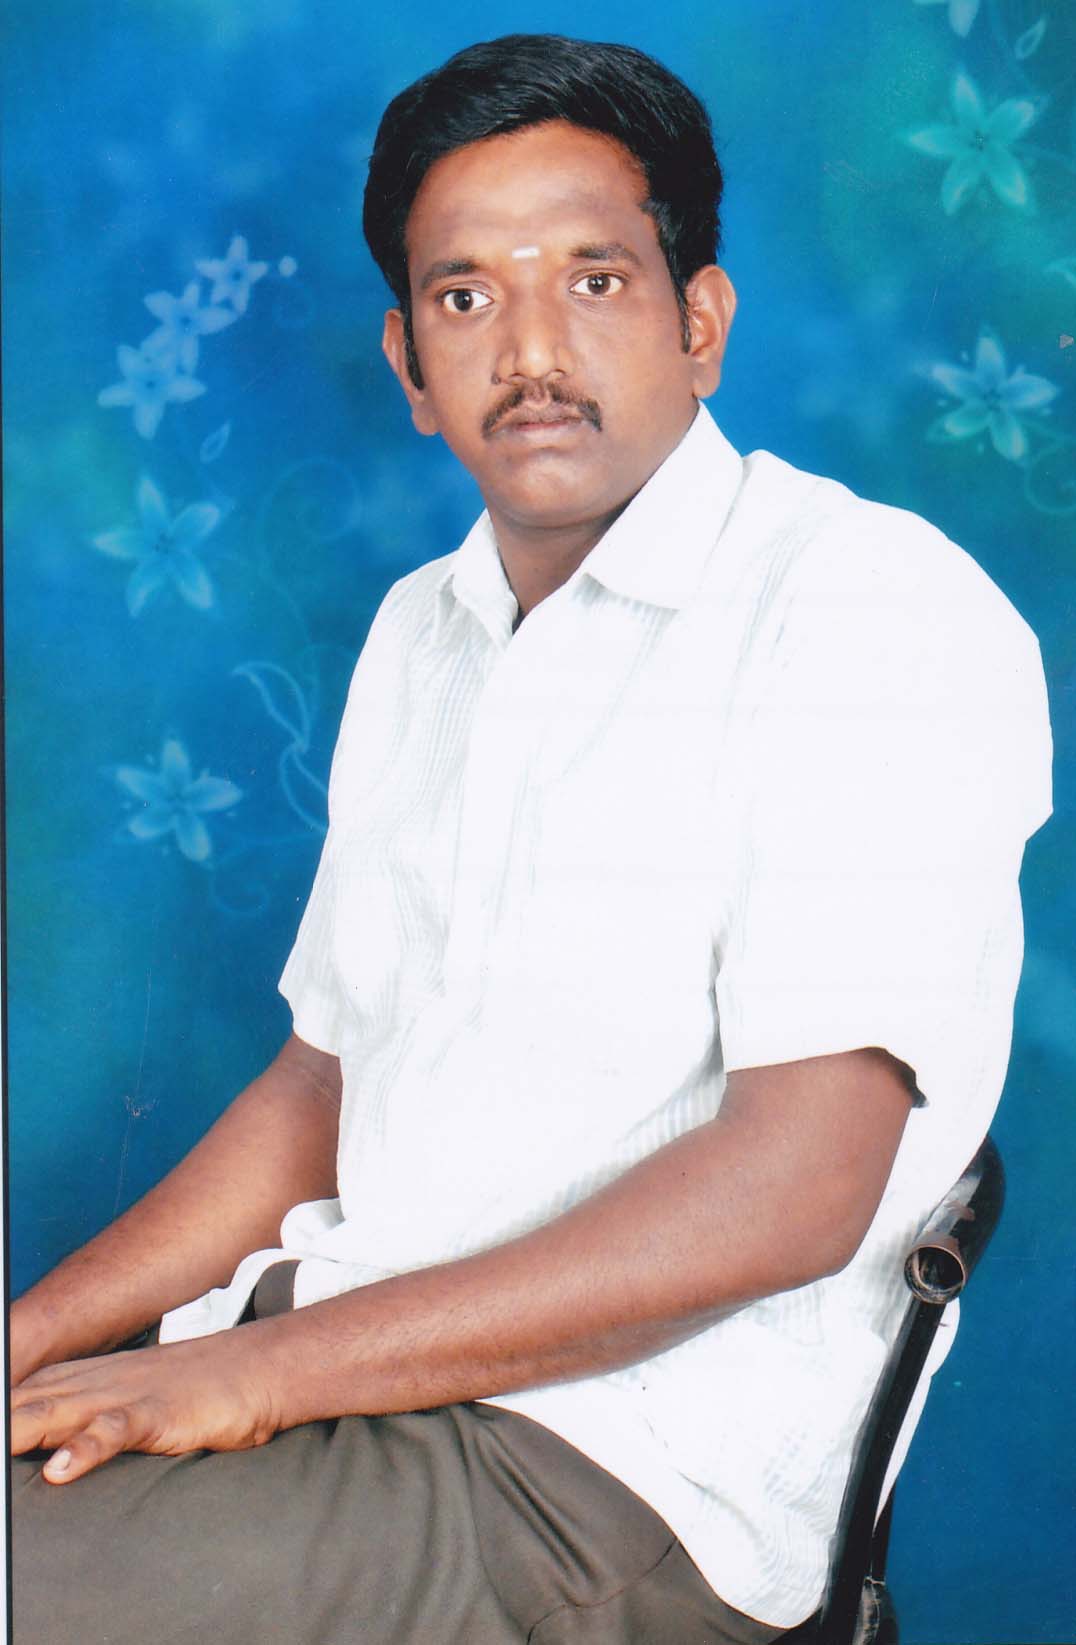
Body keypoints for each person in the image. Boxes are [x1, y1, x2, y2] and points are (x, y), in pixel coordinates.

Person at [10, 33, 1052, 1645]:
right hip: (338, 1368)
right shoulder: (419, 631)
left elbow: (793, 1187)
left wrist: (251, 1374)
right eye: (465, 297)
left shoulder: (866, 607)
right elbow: (318, 1095)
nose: (532, 351)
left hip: (609, 1474)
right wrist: (34, 1337)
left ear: (701, 322)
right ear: (410, 367)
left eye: (596, 279)